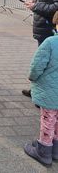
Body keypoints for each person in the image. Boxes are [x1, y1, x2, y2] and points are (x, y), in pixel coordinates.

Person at [23, 11, 58, 167]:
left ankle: (44, 150)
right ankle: (55, 148)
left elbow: (37, 66)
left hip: (50, 92)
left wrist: (32, 77)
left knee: (48, 120)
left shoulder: (51, 42)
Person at [21, 0, 58, 98]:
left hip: (50, 31)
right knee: (43, 62)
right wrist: (35, 4)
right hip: (44, 30)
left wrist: (36, 6)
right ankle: (38, 91)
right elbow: (46, 2)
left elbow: (56, 9)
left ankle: (44, 96)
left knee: (48, 64)